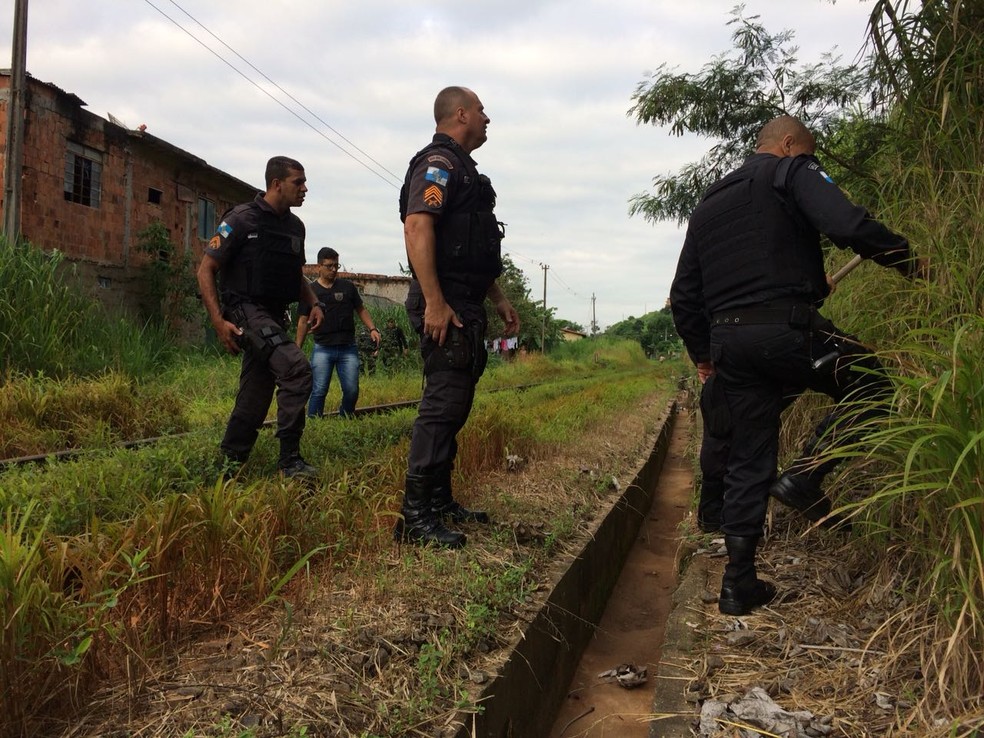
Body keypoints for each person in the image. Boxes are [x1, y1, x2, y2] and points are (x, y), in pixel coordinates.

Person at [670, 115, 923, 615]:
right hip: (786, 332)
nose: (810, 160)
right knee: (874, 384)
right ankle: (806, 476)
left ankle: (738, 584)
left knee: (748, 456)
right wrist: (912, 263)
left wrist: (704, 357)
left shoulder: (709, 205)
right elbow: (848, 224)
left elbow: (684, 296)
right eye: (806, 151)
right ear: (787, 145)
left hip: (730, 345)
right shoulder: (790, 171)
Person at [395, 85, 520, 548]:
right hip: (443, 302)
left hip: (464, 300)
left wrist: (499, 299)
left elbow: (471, 249)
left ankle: (439, 500)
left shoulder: (466, 174)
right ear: (461, 114)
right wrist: (434, 300)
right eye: (483, 111)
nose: (488, 119)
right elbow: (417, 225)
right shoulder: (438, 164)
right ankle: (413, 517)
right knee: (442, 406)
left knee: (456, 404)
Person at [197, 156, 324, 479]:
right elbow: (206, 269)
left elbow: (294, 275)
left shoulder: (296, 227)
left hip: (274, 315)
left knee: (256, 391)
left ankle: (229, 464)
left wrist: (314, 302)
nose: (305, 188)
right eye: (299, 182)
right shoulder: (240, 219)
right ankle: (289, 461)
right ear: (276, 184)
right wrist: (217, 321)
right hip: (245, 310)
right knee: (296, 370)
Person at [295, 247, 380, 417]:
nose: (334, 269)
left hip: (348, 347)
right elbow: (303, 321)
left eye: (336, 265)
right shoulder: (310, 291)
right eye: (329, 266)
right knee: (319, 390)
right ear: (318, 266)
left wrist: (372, 328)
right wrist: (297, 349)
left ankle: (346, 417)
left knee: (352, 390)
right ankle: (314, 422)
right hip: (323, 348)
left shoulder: (347, 287)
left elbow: (361, 309)